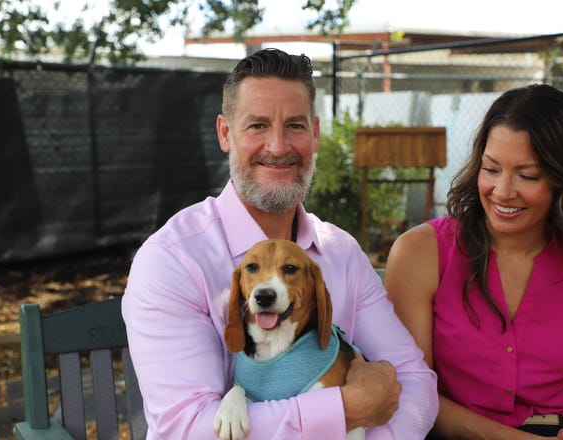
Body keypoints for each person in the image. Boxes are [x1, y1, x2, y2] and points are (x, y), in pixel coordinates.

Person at [122, 48, 438, 439]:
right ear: (225, 134)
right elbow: (187, 430)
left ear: (315, 134)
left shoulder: (340, 252)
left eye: (295, 126)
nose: (277, 146)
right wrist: (342, 410)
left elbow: (415, 382)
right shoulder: (172, 260)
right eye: (257, 126)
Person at [385, 84, 563, 440]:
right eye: (491, 169)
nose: (503, 191)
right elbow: (412, 394)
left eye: (528, 176)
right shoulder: (422, 253)